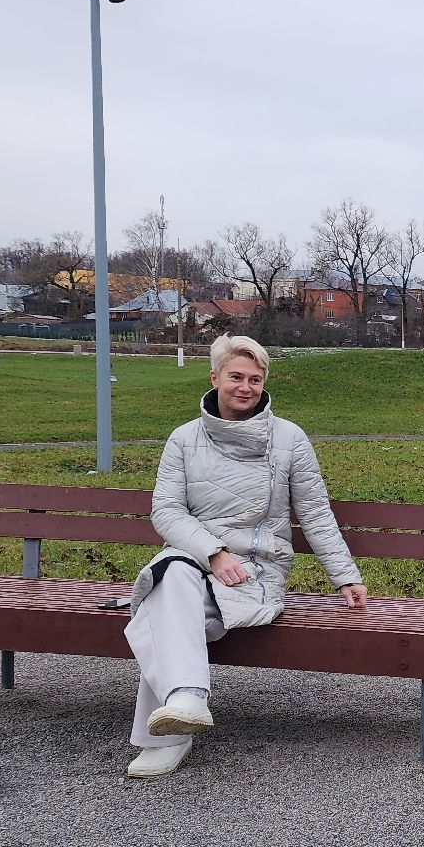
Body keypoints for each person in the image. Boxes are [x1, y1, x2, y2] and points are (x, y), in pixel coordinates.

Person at [122, 334, 368, 779]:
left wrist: (345, 577)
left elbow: (313, 511)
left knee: (160, 610)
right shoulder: (183, 439)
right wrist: (213, 552)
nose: (245, 386)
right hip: (194, 557)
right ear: (215, 377)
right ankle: (188, 700)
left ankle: (172, 725)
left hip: (256, 568)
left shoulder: (289, 438)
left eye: (255, 379)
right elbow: (167, 510)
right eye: (236, 376)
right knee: (171, 576)